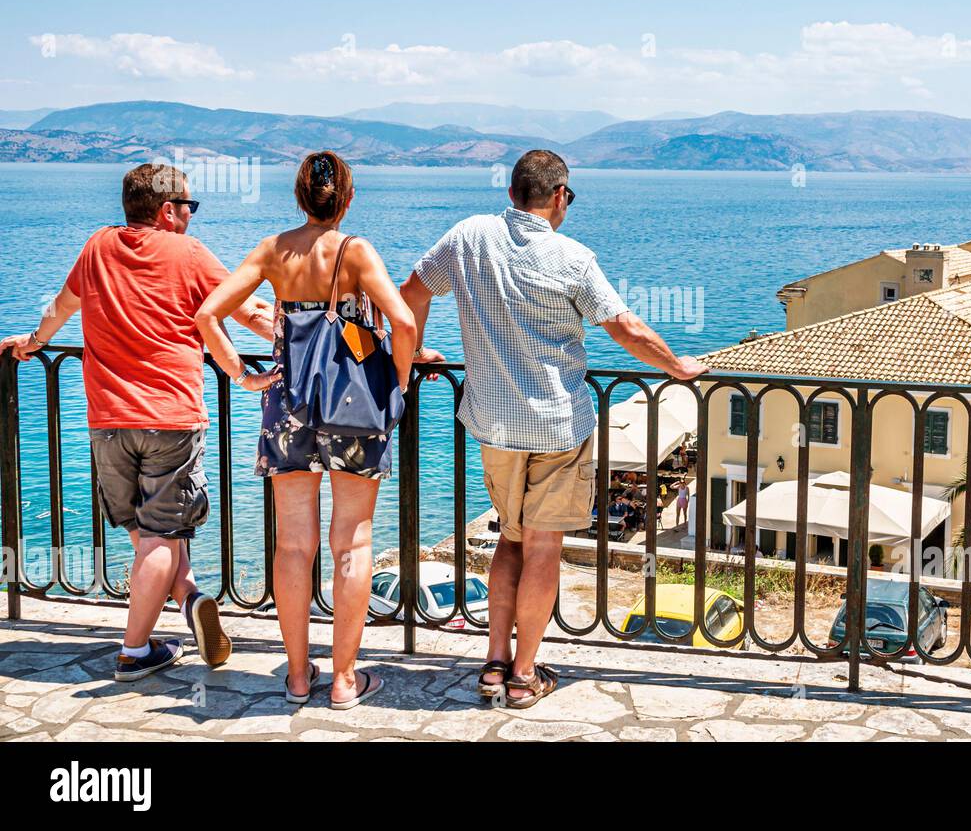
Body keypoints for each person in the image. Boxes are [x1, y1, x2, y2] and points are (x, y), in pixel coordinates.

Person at [400, 149, 706, 709]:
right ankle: (522, 676)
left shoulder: (468, 237)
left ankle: (492, 665)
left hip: (493, 425)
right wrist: (678, 367)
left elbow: (411, 295)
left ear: (512, 193)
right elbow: (625, 328)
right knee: (543, 549)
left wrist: (417, 352)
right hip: (557, 426)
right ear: (559, 196)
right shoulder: (573, 259)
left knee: (508, 541)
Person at [0, 164, 274, 681]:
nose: (192, 216)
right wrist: (307, 347)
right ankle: (134, 650)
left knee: (150, 535)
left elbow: (60, 308)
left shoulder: (96, 247)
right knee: (160, 537)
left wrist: (31, 345)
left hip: (108, 423)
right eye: (189, 206)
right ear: (167, 210)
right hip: (169, 417)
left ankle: (189, 597)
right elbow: (248, 312)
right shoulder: (188, 254)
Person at [196, 151, 416, 710]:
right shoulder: (355, 252)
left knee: (293, 546)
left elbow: (207, 315)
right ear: (347, 198)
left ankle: (297, 676)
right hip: (353, 410)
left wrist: (241, 375)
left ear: (299, 197)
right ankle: (344, 680)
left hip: (287, 405)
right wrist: (399, 379)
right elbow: (404, 320)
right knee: (354, 541)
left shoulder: (274, 250)